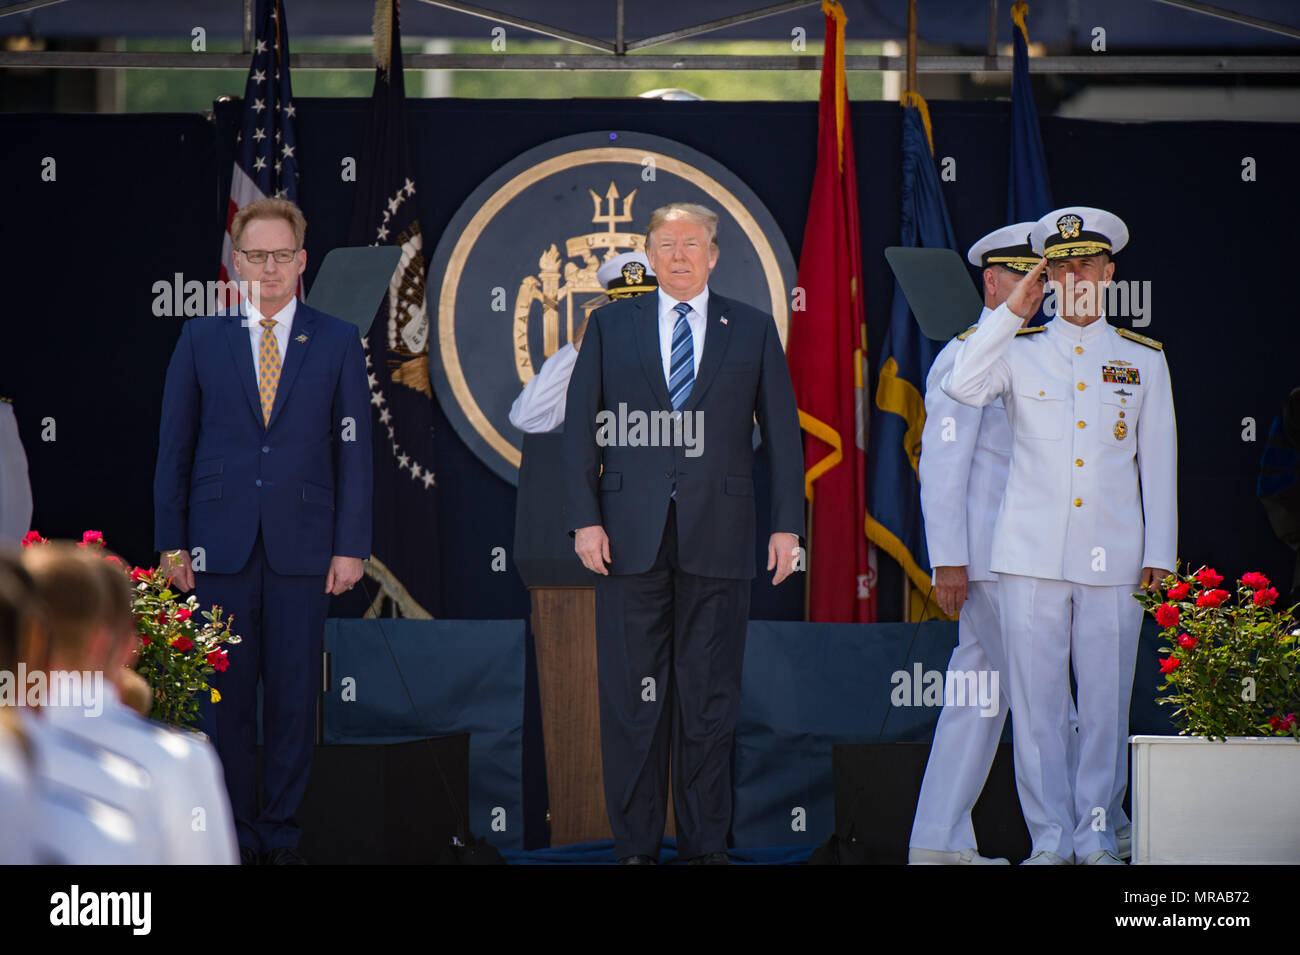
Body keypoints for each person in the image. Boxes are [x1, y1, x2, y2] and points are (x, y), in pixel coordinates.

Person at [562, 202, 804, 864]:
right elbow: (579, 428)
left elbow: (783, 437)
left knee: (709, 704)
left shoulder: (751, 329)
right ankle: (637, 850)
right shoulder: (610, 325)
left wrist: (789, 526)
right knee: (632, 706)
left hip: (720, 538)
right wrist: (585, 517)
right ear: (649, 252)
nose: (677, 255)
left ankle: (704, 851)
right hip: (626, 539)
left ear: (714, 254)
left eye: (690, 243)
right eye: (664, 244)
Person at [945, 206, 1177, 865]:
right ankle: (1050, 839)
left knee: (1105, 710)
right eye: (1063, 265)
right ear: (1047, 274)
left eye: (1087, 264)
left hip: (1114, 559)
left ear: (1109, 272)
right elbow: (963, 384)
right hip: (1030, 557)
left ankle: (1095, 834)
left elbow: (1158, 461)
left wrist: (1160, 550)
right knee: (1038, 710)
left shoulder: (1142, 359)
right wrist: (1012, 310)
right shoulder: (1017, 350)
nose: (1077, 276)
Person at [153, 197, 373, 865]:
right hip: (214, 546)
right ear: (237, 262)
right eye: (257, 255)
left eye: (282, 255)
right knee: (220, 700)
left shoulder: (336, 339)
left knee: (291, 698)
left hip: (305, 548)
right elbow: (175, 449)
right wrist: (170, 541)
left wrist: (350, 544)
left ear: (302, 261)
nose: (269, 268)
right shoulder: (200, 337)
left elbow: (355, 452)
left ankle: (278, 835)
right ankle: (228, 835)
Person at [908, 223, 1042, 864]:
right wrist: (949, 561)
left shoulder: (1038, 353)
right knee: (1040, 694)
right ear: (992, 282)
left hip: (1036, 558)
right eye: (1022, 276)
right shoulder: (965, 357)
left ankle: (936, 843)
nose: (1035, 290)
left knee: (977, 699)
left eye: (1040, 277)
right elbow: (942, 467)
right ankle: (1080, 833)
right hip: (992, 563)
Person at [509, 251, 657, 434]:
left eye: (645, 302)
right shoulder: (596, 365)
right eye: (623, 304)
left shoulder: (688, 350)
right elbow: (526, 418)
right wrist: (576, 350)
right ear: (610, 307)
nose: (634, 313)